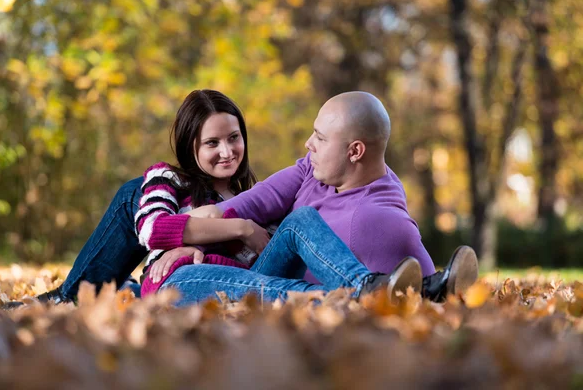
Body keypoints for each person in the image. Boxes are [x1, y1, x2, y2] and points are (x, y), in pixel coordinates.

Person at [2, 89, 425, 309]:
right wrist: (233, 230)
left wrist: (207, 241)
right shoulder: (166, 180)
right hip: (176, 282)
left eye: (234, 138)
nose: (227, 151)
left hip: (246, 280)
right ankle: (360, 297)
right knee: (267, 285)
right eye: (212, 143)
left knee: (298, 229)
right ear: (191, 146)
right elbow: (152, 230)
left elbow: (270, 258)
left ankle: (369, 290)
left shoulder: (249, 192)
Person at [149, 91, 479, 306]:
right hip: (194, 278)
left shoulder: (379, 219)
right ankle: (368, 291)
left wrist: (196, 242)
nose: (308, 143)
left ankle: (361, 295)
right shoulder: (312, 168)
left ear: (355, 151)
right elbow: (225, 210)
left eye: (320, 137)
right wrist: (194, 242)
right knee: (298, 225)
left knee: (187, 280)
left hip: (215, 280)